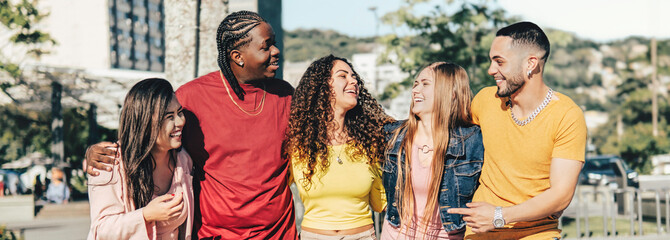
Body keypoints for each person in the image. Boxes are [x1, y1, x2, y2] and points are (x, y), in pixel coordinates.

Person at [85, 11, 297, 239]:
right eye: (266, 47)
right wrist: (95, 153)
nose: (276, 52)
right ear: (238, 56)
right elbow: (148, 129)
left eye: (274, 44)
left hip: (280, 233)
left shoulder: (287, 96)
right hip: (214, 235)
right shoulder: (190, 97)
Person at [447, 22, 587, 239]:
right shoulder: (485, 100)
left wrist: (499, 216)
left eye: (499, 62)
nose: (491, 70)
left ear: (531, 63)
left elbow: (561, 195)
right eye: (491, 61)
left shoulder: (567, 115)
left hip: (536, 233)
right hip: (478, 233)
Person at [283, 55, 390, 239]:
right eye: (343, 76)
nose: (353, 81)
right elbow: (273, 193)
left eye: (354, 77)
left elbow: (382, 203)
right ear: (323, 87)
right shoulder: (297, 145)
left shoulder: (369, 142)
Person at [381, 62, 484, 240]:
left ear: (451, 92)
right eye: (415, 84)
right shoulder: (394, 135)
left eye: (425, 84)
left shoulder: (473, 140)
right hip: (395, 235)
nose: (415, 90)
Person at [87, 78, 194, 239]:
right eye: (169, 117)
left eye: (179, 112)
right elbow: (100, 230)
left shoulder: (183, 160)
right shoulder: (109, 162)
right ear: (144, 122)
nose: (180, 121)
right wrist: (145, 216)